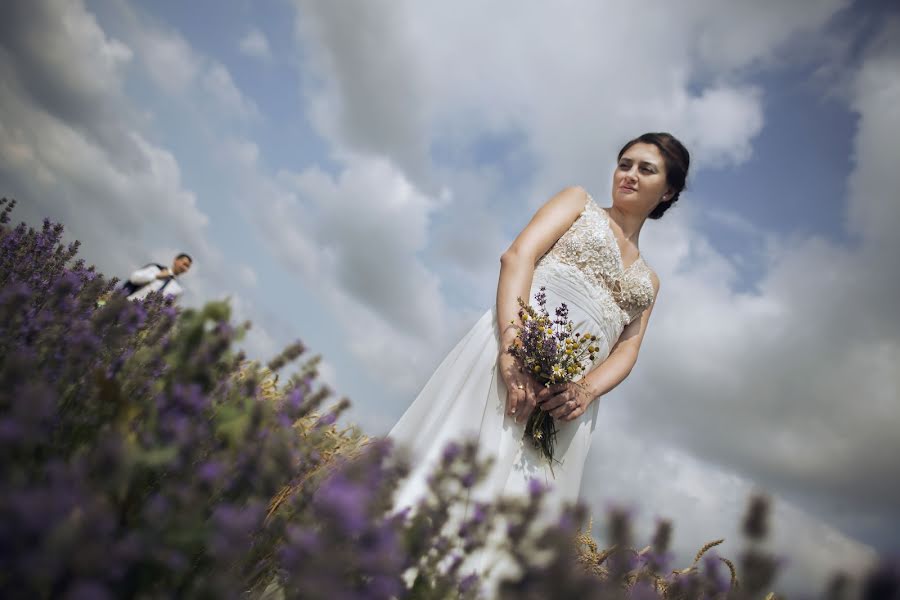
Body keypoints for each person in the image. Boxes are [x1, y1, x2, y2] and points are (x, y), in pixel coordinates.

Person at [386, 132, 690, 593]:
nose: (628, 174)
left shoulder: (649, 282)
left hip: (564, 406)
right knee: (460, 475)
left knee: (518, 519)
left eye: (645, 169)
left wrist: (585, 391)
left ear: (667, 191)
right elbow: (517, 257)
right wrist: (513, 352)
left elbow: (628, 349)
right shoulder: (578, 203)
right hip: (508, 358)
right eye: (624, 163)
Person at [122, 253, 193, 301]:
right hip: (128, 303)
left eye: (187, 267)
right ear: (175, 260)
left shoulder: (179, 289)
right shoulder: (155, 268)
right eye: (184, 264)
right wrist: (156, 276)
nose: (185, 268)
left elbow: (170, 308)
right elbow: (133, 278)